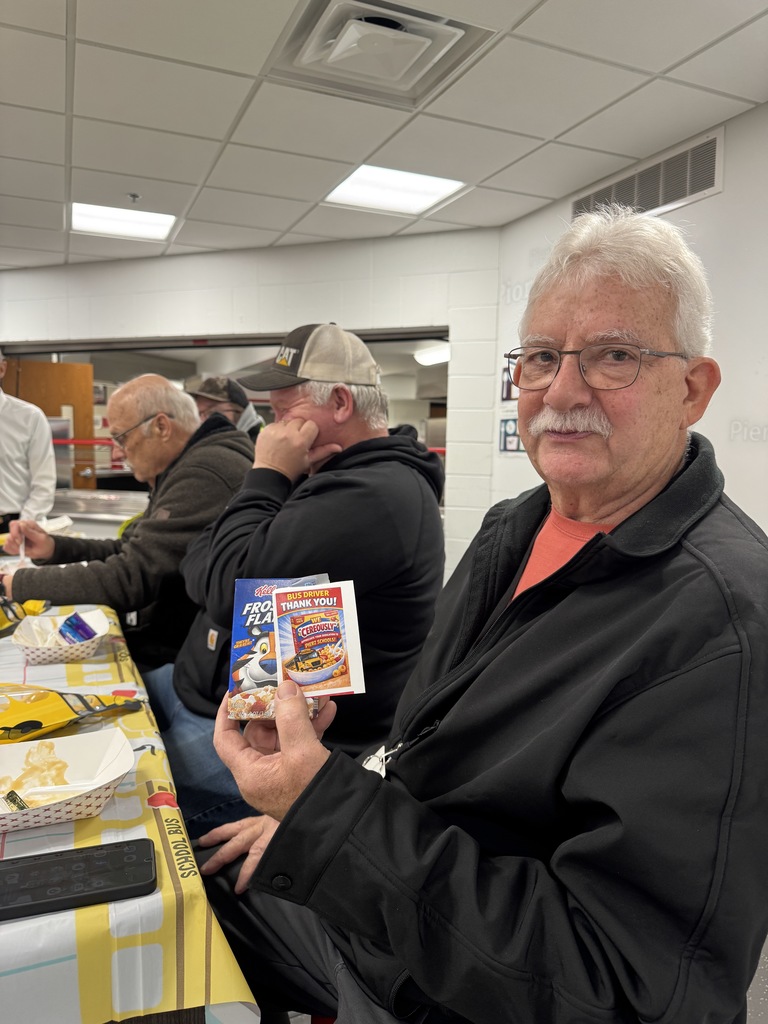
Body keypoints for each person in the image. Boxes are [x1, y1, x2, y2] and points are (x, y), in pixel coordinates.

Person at [196, 208, 768, 1024]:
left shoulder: (724, 628)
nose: (562, 392)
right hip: (387, 930)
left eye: (614, 356)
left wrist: (326, 815)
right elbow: (439, 754)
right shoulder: (514, 525)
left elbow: (623, 992)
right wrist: (324, 803)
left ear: (693, 390)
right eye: (540, 357)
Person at [143, 323, 445, 838]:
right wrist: (275, 480)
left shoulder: (370, 494)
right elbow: (197, 558)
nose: (273, 428)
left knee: (129, 800)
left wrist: (267, 475)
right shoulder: (321, 478)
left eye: (285, 412)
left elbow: (223, 590)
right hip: (211, 698)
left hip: (283, 747)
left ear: (342, 403)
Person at [1, 374, 253, 670]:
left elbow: (131, 578)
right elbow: (130, 548)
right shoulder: (190, 464)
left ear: (161, 427)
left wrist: (17, 583)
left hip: (185, 661)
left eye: (121, 438)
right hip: (182, 648)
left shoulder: (204, 473)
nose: (118, 452)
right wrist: (54, 548)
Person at [0, 348, 57, 532]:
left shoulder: (29, 417)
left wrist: (24, 525)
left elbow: (44, 482)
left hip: (13, 526)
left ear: (2, 369)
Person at [184, 375, 265, 442]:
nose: (202, 421)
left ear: (241, 414)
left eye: (212, 413)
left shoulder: (262, 447)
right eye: (199, 414)